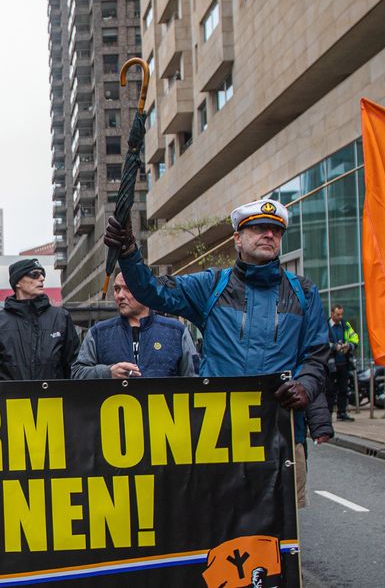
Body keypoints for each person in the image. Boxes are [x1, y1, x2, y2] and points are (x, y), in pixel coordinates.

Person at [103, 198, 332, 508]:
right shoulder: (211, 286)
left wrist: (305, 385)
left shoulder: (304, 292)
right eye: (259, 229)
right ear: (237, 238)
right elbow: (151, 291)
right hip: (218, 438)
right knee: (220, 526)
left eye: (276, 231)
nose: (269, 235)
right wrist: (129, 253)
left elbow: (316, 354)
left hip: (282, 437)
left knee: (280, 535)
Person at [72, 272, 198, 379]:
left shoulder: (176, 331)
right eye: (117, 289)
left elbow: (195, 380)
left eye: (128, 288)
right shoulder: (98, 333)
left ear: (145, 290)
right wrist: (107, 372)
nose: (120, 295)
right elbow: (77, 373)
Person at [0, 258, 81, 382]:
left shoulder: (61, 317)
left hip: (52, 399)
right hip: (11, 400)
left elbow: (74, 367)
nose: (42, 278)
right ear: (18, 282)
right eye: (35, 274)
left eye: (42, 274)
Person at [327, 304, 360, 422]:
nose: (340, 317)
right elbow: (322, 343)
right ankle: (328, 415)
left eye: (341, 314)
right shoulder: (325, 326)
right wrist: (334, 347)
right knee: (330, 390)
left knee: (343, 389)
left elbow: (355, 337)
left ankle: (342, 413)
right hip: (330, 364)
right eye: (338, 314)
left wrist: (349, 346)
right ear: (332, 313)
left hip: (344, 362)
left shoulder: (345, 325)